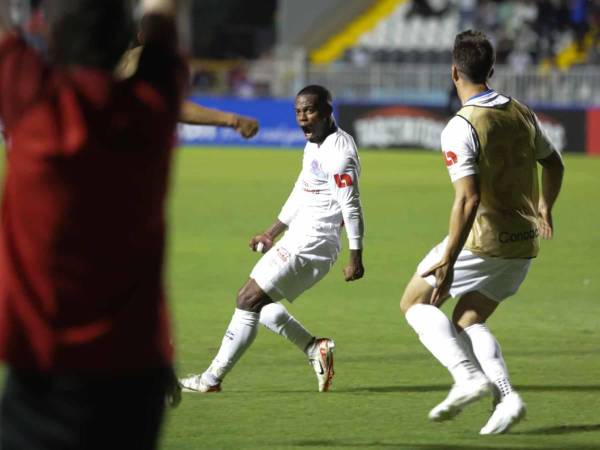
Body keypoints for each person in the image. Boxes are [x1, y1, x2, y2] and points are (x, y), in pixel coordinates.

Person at [0, 0, 185, 448]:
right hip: (136, 376)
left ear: (55, 40)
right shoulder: (151, 109)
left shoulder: (34, 108)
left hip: (42, 369)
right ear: (126, 41)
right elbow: (161, 19)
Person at [399, 30, 564, 435]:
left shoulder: (460, 126)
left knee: (414, 304)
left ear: (453, 71)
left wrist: (449, 262)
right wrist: (545, 207)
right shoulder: (520, 111)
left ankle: (467, 377)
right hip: (524, 243)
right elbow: (554, 163)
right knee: (468, 319)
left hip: (484, 240)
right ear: (490, 70)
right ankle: (507, 397)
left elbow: (467, 201)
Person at [179, 85, 365, 394]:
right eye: (298, 112)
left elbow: (352, 205)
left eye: (309, 111)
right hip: (300, 236)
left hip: (313, 242)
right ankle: (313, 348)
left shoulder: (339, 152)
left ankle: (211, 380)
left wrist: (356, 256)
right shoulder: (314, 145)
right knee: (259, 305)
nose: (302, 118)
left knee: (246, 298)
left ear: (328, 112)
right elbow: (301, 191)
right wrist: (271, 231)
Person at [117, 44, 260, 138]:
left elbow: (173, 107)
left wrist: (233, 120)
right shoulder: (138, 59)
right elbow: (174, 108)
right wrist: (233, 120)